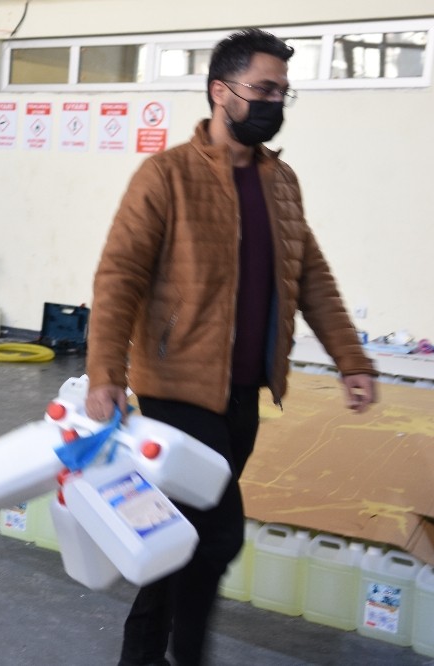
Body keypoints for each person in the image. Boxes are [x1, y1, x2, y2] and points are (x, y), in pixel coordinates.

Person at [84, 29, 377, 666]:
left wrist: (351, 359)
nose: (276, 102)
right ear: (222, 91)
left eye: (282, 91)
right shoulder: (166, 175)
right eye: (264, 89)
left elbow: (312, 278)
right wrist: (105, 372)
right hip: (175, 393)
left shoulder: (281, 182)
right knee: (216, 535)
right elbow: (120, 275)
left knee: (180, 537)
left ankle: (140, 656)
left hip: (242, 396)